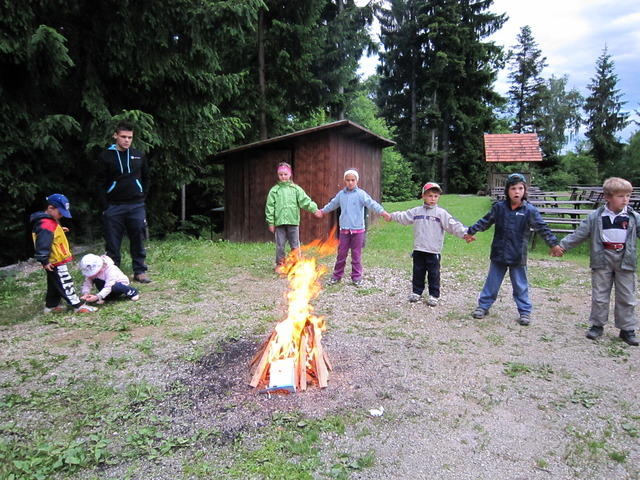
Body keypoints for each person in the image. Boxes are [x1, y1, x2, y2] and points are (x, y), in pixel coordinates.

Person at [465, 173, 563, 325]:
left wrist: (554, 244)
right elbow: (485, 221)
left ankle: (524, 311)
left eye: (520, 188)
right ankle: (483, 306)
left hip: (518, 255)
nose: (517, 192)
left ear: (525, 190)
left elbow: (542, 228)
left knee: (520, 285)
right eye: (513, 188)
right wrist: (470, 232)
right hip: (499, 253)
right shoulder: (499, 208)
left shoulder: (529, 210)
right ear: (507, 191)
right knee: (492, 282)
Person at [552, 177, 639, 346]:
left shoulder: (633, 217)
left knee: (627, 295)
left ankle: (627, 329)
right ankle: (597, 325)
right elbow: (580, 234)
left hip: (625, 259)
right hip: (602, 258)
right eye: (621, 196)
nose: (625, 200)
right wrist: (562, 246)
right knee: (600, 294)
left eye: (628, 196)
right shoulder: (596, 217)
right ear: (607, 197)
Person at [387, 182, 472, 306]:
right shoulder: (417, 212)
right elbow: (404, 216)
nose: (433, 199)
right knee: (418, 272)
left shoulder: (441, 213)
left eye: (436, 196)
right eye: (430, 195)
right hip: (419, 249)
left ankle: (433, 294)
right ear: (423, 196)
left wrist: (465, 234)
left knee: (434, 274)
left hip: (433, 250)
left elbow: (453, 225)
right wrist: (391, 216)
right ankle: (417, 291)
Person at [315, 168, 391, 286]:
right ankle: (337, 276)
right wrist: (322, 211)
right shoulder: (341, 195)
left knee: (356, 255)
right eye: (348, 180)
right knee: (341, 254)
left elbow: (372, 204)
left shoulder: (361, 194)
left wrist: (383, 212)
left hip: (358, 231)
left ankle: (356, 277)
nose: (350, 182)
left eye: (352, 180)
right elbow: (332, 204)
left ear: (357, 181)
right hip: (344, 231)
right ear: (344, 181)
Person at [97, 122, 151, 283]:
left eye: (130, 137)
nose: (127, 140)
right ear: (115, 136)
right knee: (113, 243)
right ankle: (114, 275)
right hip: (114, 206)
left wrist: (142, 196)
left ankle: (139, 271)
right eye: (123, 137)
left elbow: (146, 178)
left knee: (138, 238)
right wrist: (105, 206)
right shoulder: (105, 156)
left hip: (136, 205)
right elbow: (99, 183)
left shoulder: (138, 155)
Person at [30, 194, 97, 314]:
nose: (61, 215)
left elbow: (51, 236)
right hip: (55, 261)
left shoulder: (49, 222)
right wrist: (44, 260)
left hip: (55, 260)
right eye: (60, 213)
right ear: (50, 208)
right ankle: (78, 306)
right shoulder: (46, 224)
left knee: (54, 284)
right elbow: (43, 243)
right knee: (65, 282)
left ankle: (51, 307)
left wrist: (60, 230)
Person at [265, 162, 319, 268]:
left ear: (290, 174)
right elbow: (269, 208)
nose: (283, 177)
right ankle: (280, 264)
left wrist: (314, 209)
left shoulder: (296, 189)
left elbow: (305, 201)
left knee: (295, 245)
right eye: (281, 174)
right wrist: (271, 222)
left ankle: (297, 264)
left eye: (285, 174)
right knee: (280, 245)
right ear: (278, 175)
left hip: (293, 222)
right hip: (279, 223)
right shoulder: (274, 191)